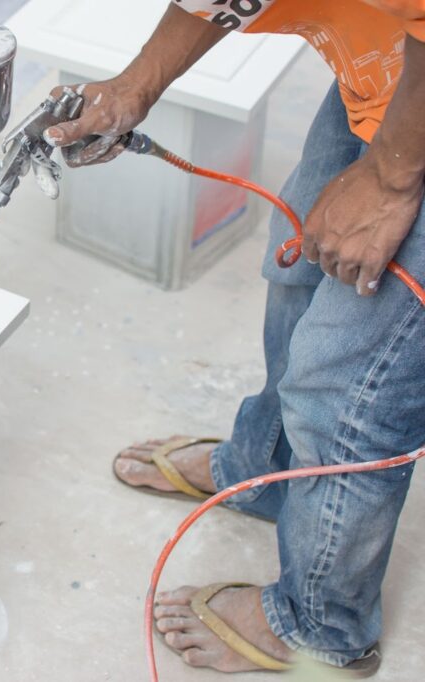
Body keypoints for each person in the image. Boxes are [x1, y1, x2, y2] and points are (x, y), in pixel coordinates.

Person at [44, 1, 425, 676]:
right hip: (396, 75)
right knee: (300, 263)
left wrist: (392, 178)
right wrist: (136, 86)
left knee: (349, 391)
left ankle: (322, 626)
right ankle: (268, 472)